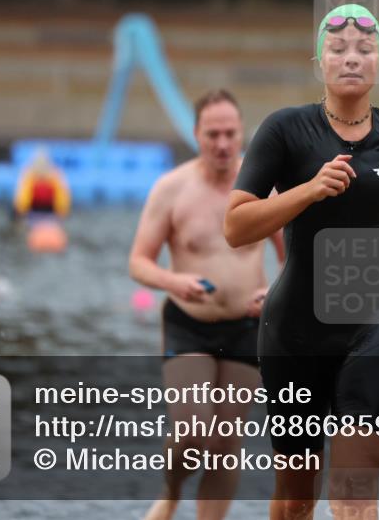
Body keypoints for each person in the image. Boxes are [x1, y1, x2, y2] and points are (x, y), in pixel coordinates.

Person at [224, 3, 379, 520]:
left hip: (374, 327)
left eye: (364, 49)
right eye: (338, 49)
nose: (351, 58)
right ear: (318, 61)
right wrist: (309, 190)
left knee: (354, 495)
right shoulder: (285, 131)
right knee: (297, 500)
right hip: (294, 332)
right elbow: (236, 226)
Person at [129, 89, 285, 520]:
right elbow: (138, 262)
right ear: (196, 134)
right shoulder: (172, 189)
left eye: (229, 134)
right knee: (194, 431)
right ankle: (172, 490)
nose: (221, 143)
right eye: (212, 134)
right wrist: (174, 281)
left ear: (241, 136)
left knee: (225, 442)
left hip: (247, 325)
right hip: (189, 323)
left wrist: (277, 292)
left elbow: (293, 256)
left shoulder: (261, 188)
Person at [13, 147, 71, 220]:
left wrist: (61, 211)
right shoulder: (29, 175)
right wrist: (21, 211)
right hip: (32, 211)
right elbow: (22, 197)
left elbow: (62, 196)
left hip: (51, 212)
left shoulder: (55, 175)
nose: (41, 165)